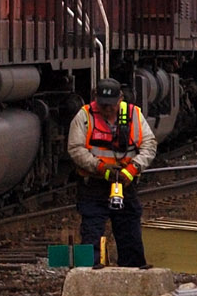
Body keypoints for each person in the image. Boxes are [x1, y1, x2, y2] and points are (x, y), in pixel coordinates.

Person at [66, 77, 157, 267]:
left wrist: (131, 170)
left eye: (111, 105)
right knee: (91, 229)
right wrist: (100, 167)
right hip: (94, 185)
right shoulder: (84, 117)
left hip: (125, 184)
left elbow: (149, 145)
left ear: (121, 99)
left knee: (130, 230)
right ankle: (89, 270)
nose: (107, 110)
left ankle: (133, 269)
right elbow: (75, 148)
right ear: (95, 99)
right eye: (103, 105)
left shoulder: (134, 115)